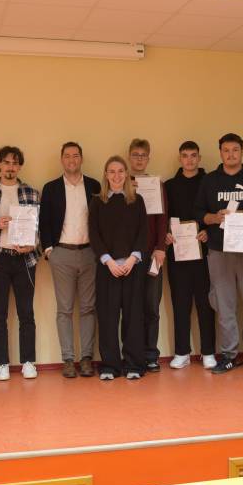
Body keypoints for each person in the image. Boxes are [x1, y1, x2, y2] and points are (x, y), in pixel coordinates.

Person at [194, 133, 243, 376]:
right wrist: (214, 217)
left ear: (242, 152)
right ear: (220, 153)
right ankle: (228, 355)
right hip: (219, 252)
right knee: (224, 306)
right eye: (226, 150)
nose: (231, 154)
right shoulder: (210, 181)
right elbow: (198, 213)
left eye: (235, 150)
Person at [0, 146, 42, 381]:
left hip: (25, 259)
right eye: (6, 162)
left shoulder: (32, 193)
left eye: (15, 163)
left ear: (20, 166)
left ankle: (28, 361)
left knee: (27, 313)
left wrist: (32, 245)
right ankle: (2, 363)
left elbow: (39, 229)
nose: (10, 167)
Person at [39, 142, 101, 378]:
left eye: (76, 155)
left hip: (89, 253)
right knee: (64, 309)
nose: (72, 159)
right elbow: (44, 221)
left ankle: (86, 358)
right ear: (61, 159)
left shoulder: (94, 186)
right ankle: (67, 359)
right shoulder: (51, 188)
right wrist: (49, 251)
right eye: (67, 156)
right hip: (61, 254)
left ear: (81, 158)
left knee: (88, 308)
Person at [89, 156, 148, 380]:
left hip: (133, 267)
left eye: (120, 171)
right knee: (108, 317)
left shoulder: (137, 201)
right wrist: (109, 261)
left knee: (133, 317)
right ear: (106, 175)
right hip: (108, 268)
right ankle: (110, 366)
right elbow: (94, 234)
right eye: (112, 171)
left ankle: (133, 365)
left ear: (126, 174)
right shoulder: (97, 202)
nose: (116, 176)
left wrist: (132, 259)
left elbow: (143, 232)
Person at [163, 141, 215, 369]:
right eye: (185, 155)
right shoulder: (169, 186)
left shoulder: (210, 182)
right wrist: (166, 234)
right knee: (180, 303)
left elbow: (215, 214)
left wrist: (208, 232)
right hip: (178, 252)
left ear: (199, 158)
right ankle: (181, 352)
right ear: (180, 158)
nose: (189, 160)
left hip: (205, 252)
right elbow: (164, 216)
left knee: (206, 304)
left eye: (194, 155)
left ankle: (208, 352)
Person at [128, 138, 168, 372]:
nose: (139, 159)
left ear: (148, 158)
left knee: (152, 307)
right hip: (129, 258)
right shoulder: (122, 183)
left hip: (153, 255)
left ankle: (151, 354)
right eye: (135, 155)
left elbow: (162, 219)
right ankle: (133, 355)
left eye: (143, 155)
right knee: (131, 308)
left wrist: (161, 247)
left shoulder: (157, 185)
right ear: (129, 157)